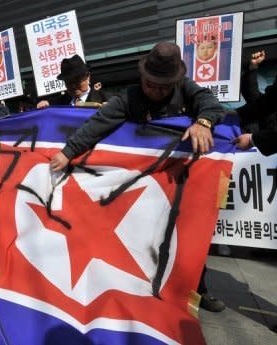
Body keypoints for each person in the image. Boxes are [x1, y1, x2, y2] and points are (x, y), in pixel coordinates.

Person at [50, 41, 226, 312]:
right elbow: (98, 123)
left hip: (181, 182)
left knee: (189, 237)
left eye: (162, 87)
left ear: (175, 82)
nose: (155, 91)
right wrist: (68, 151)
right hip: (142, 184)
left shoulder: (187, 89)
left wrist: (203, 122)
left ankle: (198, 290)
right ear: (142, 77)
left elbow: (212, 105)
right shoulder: (128, 97)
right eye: (150, 84)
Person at [37, 55, 115, 109]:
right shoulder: (59, 104)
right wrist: (44, 105)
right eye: (69, 82)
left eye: (77, 81)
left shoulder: (106, 98)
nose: (73, 86)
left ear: (88, 77)